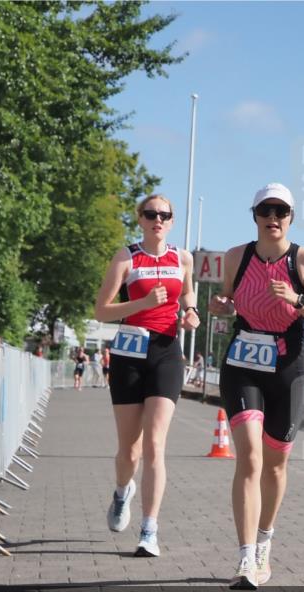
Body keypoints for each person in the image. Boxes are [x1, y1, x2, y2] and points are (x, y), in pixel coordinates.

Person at [209, 183, 304, 589]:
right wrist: (221, 306)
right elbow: (227, 301)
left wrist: (298, 301)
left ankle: (265, 541)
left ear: (291, 218)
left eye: (281, 212)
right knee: (249, 457)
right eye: (266, 211)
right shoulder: (236, 257)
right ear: (254, 216)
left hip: (289, 366)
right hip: (244, 362)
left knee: (276, 463)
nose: (273, 218)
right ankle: (246, 558)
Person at [94, 194, 199, 557]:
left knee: (155, 444)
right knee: (130, 450)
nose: (158, 219)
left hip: (166, 353)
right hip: (128, 354)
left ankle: (149, 529)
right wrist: (141, 303)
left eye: (165, 215)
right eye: (151, 214)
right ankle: (122, 492)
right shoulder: (126, 257)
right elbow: (102, 311)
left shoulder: (182, 258)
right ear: (140, 218)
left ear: (171, 221)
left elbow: (187, 293)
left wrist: (191, 312)